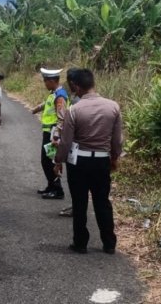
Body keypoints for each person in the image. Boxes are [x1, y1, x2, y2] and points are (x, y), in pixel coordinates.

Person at [54, 69, 122, 255]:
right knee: (102, 202)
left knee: (80, 202)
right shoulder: (113, 107)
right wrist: (114, 158)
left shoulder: (74, 110)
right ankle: (109, 243)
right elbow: (117, 141)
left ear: (76, 86)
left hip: (79, 163)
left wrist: (58, 160)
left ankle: (81, 243)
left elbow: (66, 142)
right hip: (101, 162)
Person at [32, 68, 69, 200]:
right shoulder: (54, 93)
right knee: (46, 160)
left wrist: (56, 136)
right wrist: (36, 109)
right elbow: (47, 104)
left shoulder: (60, 96)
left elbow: (61, 118)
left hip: (53, 133)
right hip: (48, 131)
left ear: (52, 81)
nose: (44, 84)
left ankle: (57, 190)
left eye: (46, 81)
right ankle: (51, 186)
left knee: (49, 161)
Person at [57, 68, 82, 217]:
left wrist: (59, 158)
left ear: (73, 83)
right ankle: (75, 206)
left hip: (77, 149)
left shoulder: (77, 103)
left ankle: (77, 208)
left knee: (77, 183)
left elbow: (68, 134)